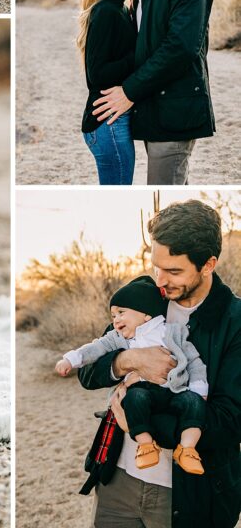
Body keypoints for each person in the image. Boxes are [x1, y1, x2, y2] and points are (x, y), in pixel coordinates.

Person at [78, 199, 241, 528]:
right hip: (117, 479)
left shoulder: (234, 321)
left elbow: (230, 420)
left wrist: (138, 425)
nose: (160, 280)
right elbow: (88, 370)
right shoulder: (146, 298)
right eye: (156, 266)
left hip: (189, 496)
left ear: (208, 264)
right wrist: (129, 359)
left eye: (174, 271)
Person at [92, 0, 214, 185]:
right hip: (154, 111)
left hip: (175, 111)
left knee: (163, 189)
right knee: (172, 188)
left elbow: (180, 47)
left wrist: (129, 92)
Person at [56, 275, 207, 475]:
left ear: (146, 314)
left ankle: (187, 449)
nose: (115, 319)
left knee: (194, 402)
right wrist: (71, 359)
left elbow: (193, 359)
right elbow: (95, 349)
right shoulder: (119, 337)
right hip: (142, 392)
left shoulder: (173, 332)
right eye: (113, 315)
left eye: (121, 313)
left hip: (174, 390)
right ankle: (146, 445)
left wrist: (198, 387)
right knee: (136, 398)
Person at [77, 0, 137, 184]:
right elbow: (98, 75)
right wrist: (139, 56)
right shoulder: (105, 12)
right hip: (108, 123)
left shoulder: (120, 8)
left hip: (113, 121)